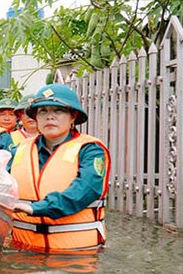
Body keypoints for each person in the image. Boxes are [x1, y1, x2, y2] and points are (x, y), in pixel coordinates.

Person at [10, 84, 111, 253]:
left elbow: (85, 190)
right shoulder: (18, 150)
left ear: (73, 116)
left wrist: (37, 208)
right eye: (43, 111)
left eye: (58, 110)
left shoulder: (91, 150)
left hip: (76, 255)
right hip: (24, 252)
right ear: (36, 118)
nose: (50, 116)